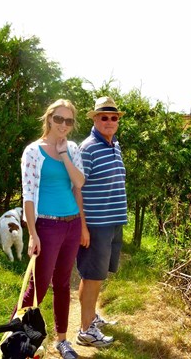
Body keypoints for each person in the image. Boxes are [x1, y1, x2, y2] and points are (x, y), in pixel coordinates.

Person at [20, 99, 85, 359]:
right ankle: (21, 338)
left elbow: (79, 182)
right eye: (59, 119)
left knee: (62, 284)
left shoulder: (72, 148)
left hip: (72, 223)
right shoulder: (33, 151)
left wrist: (63, 155)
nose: (63, 125)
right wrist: (32, 233)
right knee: (38, 286)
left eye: (69, 121)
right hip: (46, 225)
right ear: (48, 119)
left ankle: (62, 340)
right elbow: (28, 194)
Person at [75, 96, 128, 347]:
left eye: (113, 117)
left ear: (118, 121)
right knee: (91, 275)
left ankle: (91, 318)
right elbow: (76, 189)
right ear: (95, 119)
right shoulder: (88, 148)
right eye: (104, 117)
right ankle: (86, 331)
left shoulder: (113, 144)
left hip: (112, 222)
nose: (109, 121)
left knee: (97, 275)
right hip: (95, 225)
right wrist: (82, 227)